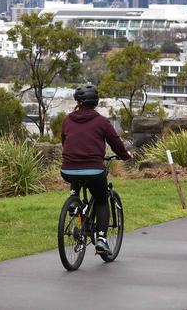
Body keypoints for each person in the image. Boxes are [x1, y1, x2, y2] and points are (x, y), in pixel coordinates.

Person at [60, 84, 131, 255]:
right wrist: (125, 155)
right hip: (94, 170)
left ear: (77, 101)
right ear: (96, 102)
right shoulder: (102, 122)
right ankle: (101, 239)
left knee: (76, 177)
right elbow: (115, 143)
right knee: (101, 200)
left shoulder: (67, 120)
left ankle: (74, 202)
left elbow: (65, 142)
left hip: (68, 169)